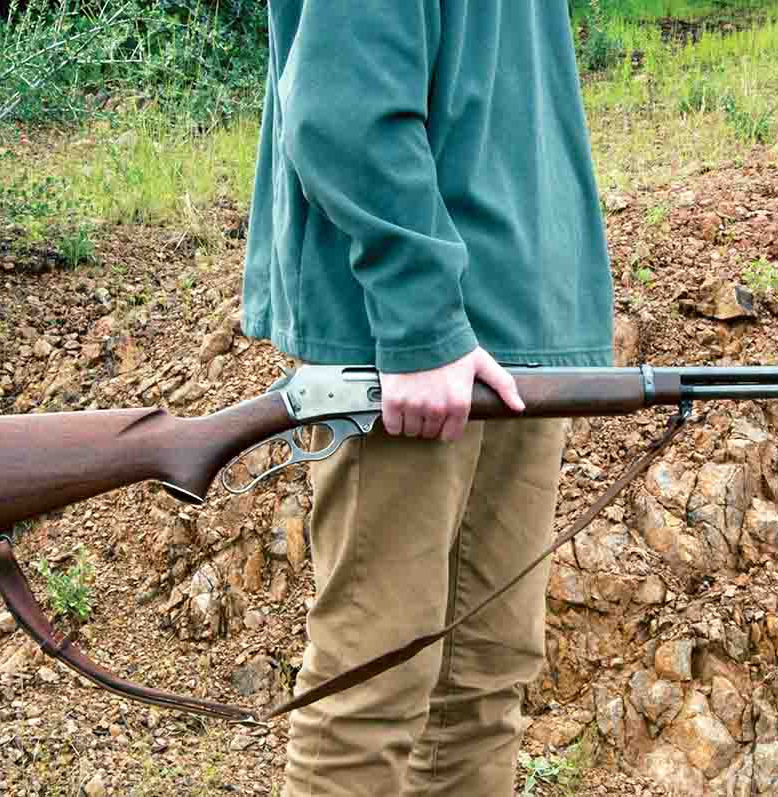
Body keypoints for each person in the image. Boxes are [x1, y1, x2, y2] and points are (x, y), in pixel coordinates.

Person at [241, 3, 613, 795]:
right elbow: (345, 106)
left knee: (484, 686)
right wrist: (422, 321)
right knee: (371, 690)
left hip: (519, 338)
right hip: (411, 355)